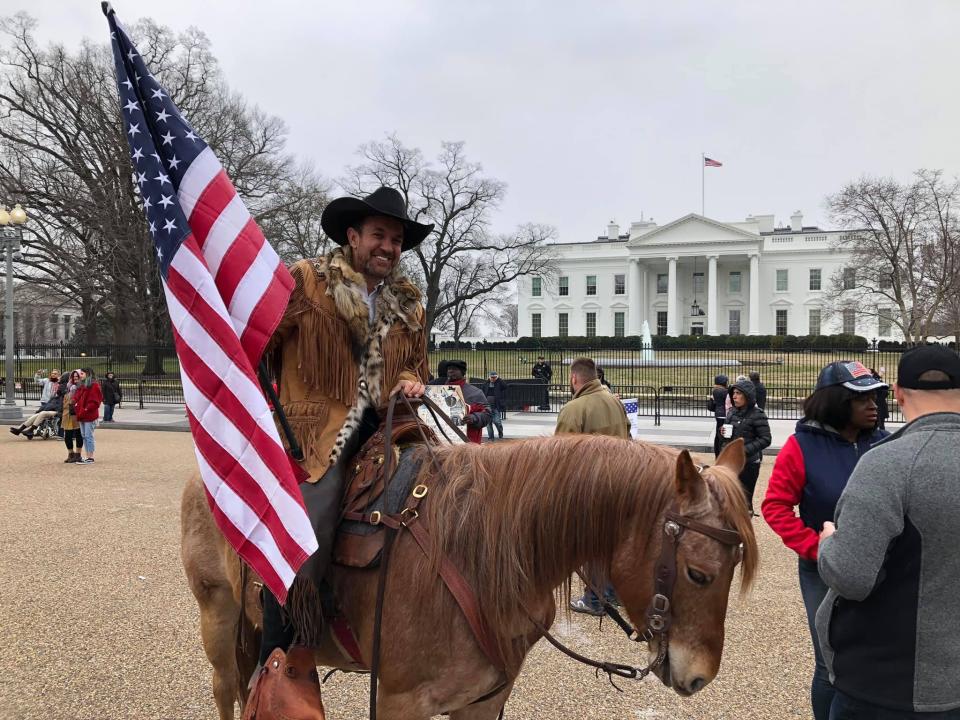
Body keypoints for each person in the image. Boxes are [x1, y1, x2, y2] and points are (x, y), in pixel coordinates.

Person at [248, 186, 433, 719]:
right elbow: (260, 341)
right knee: (311, 528)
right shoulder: (307, 282)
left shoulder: (408, 302)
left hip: (388, 426)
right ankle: (279, 661)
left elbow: (414, 365)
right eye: (379, 235)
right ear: (353, 237)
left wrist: (409, 381)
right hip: (318, 432)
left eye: (396, 239)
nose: (389, 246)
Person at [816, 345, 960, 719]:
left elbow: (851, 576)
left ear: (896, 393)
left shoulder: (888, 463)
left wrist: (828, 543)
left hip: (888, 686)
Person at [762, 361, 888, 720]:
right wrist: (817, 548)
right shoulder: (801, 446)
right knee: (830, 665)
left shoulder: (884, 443)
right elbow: (775, 506)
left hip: (883, 565)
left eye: (875, 395)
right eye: (860, 397)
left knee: (878, 658)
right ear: (835, 401)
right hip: (823, 570)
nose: (874, 404)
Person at [557, 357, 631, 616]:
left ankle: (596, 599)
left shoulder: (574, 408)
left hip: (590, 487)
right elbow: (629, 435)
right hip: (620, 481)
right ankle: (615, 592)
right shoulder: (615, 401)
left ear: (574, 379)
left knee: (593, 546)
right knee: (612, 543)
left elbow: (560, 456)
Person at [719, 377, 771, 513]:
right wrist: (722, 432)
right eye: (733, 393)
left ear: (747, 395)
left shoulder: (758, 414)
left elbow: (766, 439)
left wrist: (743, 450)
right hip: (729, 462)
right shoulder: (731, 412)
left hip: (748, 464)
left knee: (744, 501)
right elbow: (726, 436)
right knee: (728, 499)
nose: (734, 397)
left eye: (738, 393)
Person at [443, 360, 491, 444]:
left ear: (462, 372)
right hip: (443, 441)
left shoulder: (476, 392)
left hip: (468, 443)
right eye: (449, 369)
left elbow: (487, 414)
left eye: (454, 369)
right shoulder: (438, 391)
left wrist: (474, 418)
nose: (450, 371)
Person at [74, 367, 102, 464]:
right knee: (84, 435)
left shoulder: (94, 385)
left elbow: (95, 402)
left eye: (82, 374)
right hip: (82, 413)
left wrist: (85, 409)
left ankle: (90, 456)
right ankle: (88, 455)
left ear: (88, 374)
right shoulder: (82, 385)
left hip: (89, 414)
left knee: (88, 435)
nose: (80, 376)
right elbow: (76, 397)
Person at [61, 370, 83, 463]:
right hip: (67, 412)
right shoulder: (68, 387)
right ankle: (71, 453)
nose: (75, 378)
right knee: (67, 435)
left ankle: (78, 454)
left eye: (77, 376)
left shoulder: (82, 387)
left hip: (76, 412)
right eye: (73, 376)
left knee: (78, 434)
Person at [708, 374, 729, 457]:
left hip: (718, 414)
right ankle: (721, 453)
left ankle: (717, 453)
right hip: (724, 414)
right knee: (724, 435)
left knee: (718, 434)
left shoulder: (715, 390)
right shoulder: (724, 391)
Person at [483, 371, 507, 440]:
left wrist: (498, 379)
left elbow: (505, 386)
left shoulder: (499, 383)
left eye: (494, 377)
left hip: (496, 406)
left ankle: (500, 433)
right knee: (488, 424)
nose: (493, 379)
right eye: (492, 377)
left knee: (497, 422)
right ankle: (491, 437)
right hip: (487, 407)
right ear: (489, 377)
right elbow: (482, 391)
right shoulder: (486, 384)